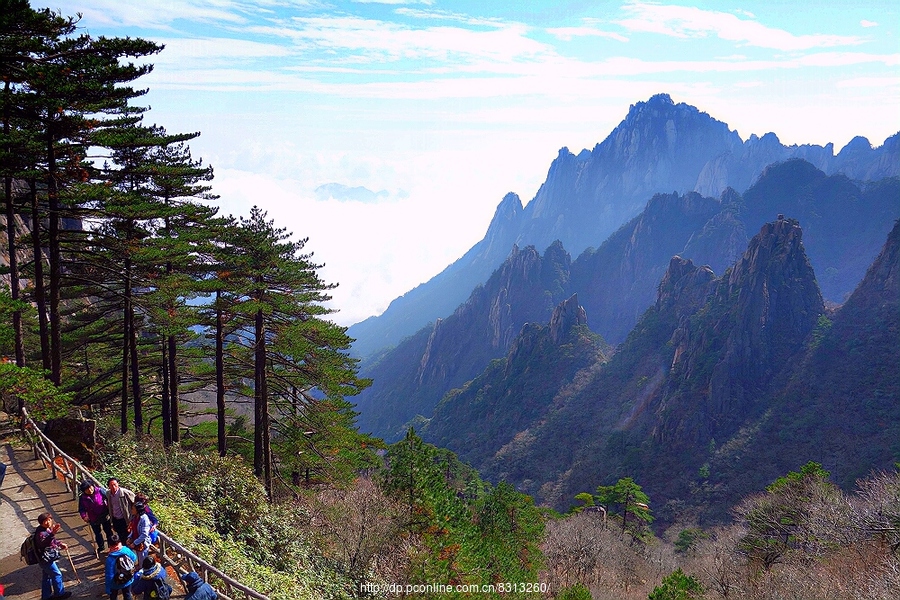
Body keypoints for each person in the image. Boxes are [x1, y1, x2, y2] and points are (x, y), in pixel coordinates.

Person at [34, 512, 72, 600]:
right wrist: (53, 533)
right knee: (57, 574)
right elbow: (44, 543)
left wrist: (60, 544)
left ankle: (46, 596)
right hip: (45, 559)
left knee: (47, 576)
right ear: (41, 522)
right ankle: (59, 594)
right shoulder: (40, 533)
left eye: (49, 520)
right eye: (45, 521)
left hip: (47, 557)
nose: (48, 522)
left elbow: (52, 541)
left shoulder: (46, 529)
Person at [78, 480, 114, 558]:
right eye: (87, 489)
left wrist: (110, 508)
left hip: (105, 515)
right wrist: (84, 516)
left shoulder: (100, 491)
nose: (90, 490)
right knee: (97, 533)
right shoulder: (83, 498)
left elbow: (109, 498)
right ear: (84, 491)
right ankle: (101, 547)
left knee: (108, 531)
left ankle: (111, 546)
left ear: (93, 486)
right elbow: (81, 509)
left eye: (90, 487)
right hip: (93, 518)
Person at [105, 533, 136, 600]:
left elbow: (109, 575)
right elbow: (134, 557)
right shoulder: (126, 550)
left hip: (115, 583)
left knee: (113, 596)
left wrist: (108, 587)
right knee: (127, 594)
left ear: (110, 546)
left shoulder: (110, 559)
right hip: (128, 578)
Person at [105, 477, 135, 543]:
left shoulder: (125, 493)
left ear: (118, 484)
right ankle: (123, 549)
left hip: (125, 519)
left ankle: (128, 551)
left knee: (128, 536)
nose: (113, 486)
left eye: (115, 484)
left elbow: (135, 502)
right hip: (115, 519)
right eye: (111, 485)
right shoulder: (108, 494)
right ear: (109, 486)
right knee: (120, 535)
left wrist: (133, 516)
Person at [127, 500, 154, 568]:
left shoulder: (144, 519)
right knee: (138, 557)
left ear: (138, 510)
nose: (131, 510)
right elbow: (134, 529)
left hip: (142, 543)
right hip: (136, 541)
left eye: (133, 509)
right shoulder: (135, 517)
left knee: (142, 561)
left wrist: (134, 543)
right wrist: (129, 537)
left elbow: (144, 534)